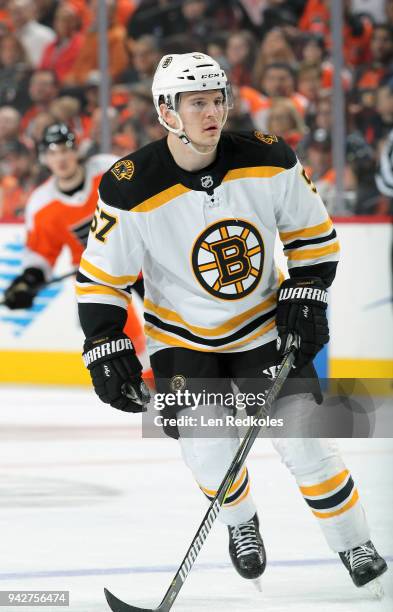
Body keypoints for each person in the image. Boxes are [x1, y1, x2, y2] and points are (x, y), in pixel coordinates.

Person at [76, 53, 388, 591]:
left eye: (218, 98)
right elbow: (102, 279)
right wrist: (104, 344)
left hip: (262, 330)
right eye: (196, 101)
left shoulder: (268, 158)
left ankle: (354, 541)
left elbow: (313, 238)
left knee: (307, 442)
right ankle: (242, 523)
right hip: (180, 342)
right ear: (166, 111)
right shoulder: (128, 187)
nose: (212, 110)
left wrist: (307, 292)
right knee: (208, 450)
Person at [2, 123, 116, 309]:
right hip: (95, 279)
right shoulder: (41, 204)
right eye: (52, 153)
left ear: (77, 151)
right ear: (44, 158)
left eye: (65, 150)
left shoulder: (109, 170)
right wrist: (28, 281)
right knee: (114, 336)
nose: (60, 159)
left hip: (141, 263)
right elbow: (41, 254)